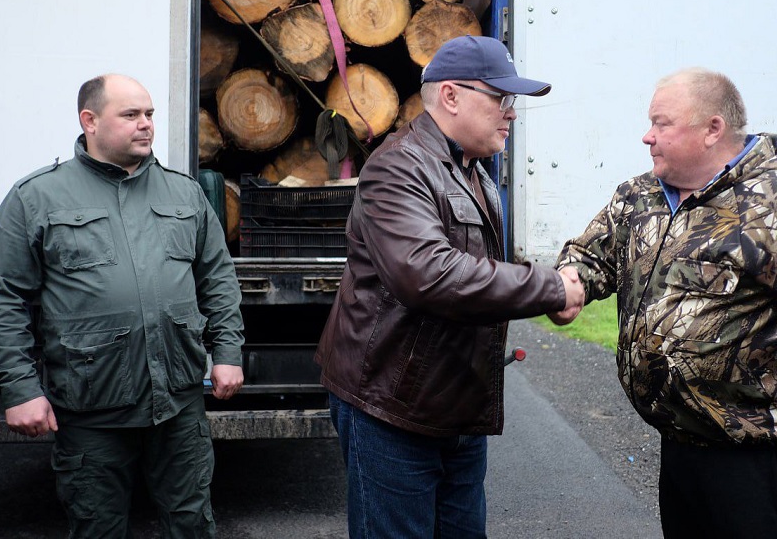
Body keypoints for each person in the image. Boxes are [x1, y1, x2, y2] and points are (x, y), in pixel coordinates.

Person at [315, 35, 585, 538]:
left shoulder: (476, 175)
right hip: (391, 408)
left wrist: (545, 288)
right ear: (452, 96)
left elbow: (480, 276)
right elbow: (429, 273)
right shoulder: (398, 168)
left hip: (453, 408)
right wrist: (549, 289)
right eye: (501, 98)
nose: (512, 113)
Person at [0, 74, 245, 538]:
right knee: (97, 527)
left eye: (149, 114)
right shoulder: (37, 197)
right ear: (90, 121)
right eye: (131, 115)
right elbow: (0, 295)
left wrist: (226, 353)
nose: (145, 125)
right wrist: (19, 388)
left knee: (192, 523)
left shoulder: (183, 194)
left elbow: (217, 280)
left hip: (178, 404)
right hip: (91, 409)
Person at [550, 67, 777, 538]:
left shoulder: (768, 205)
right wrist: (567, 282)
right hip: (677, 442)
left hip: (752, 457)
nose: (647, 137)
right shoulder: (639, 196)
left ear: (713, 129)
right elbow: (591, 255)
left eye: (662, 123)